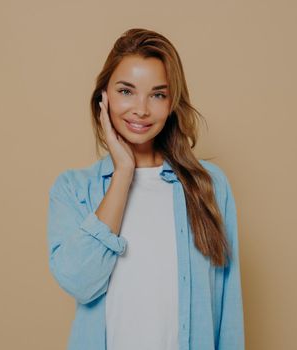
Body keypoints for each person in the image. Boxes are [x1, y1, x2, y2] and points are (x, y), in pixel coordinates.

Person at [47, 28, 244, 350]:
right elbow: (80, 283)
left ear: (172, 103)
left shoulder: (208, 185)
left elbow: (228, 308)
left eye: (157, 94)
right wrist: (123, 172)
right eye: (126, 91)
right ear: (103, 98)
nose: (141, 109)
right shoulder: (74, 189)